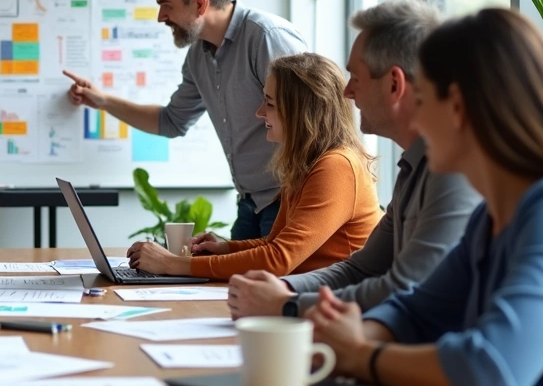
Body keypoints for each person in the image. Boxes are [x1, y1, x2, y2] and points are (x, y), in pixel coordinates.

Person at [308, 8, 543, 386]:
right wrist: (357, 331)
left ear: (458, 109)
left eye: (424, 99)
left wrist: (359, 353)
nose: (415, 116)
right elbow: (415, 310)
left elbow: (488, 370)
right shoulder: (492, 218)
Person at [227, 0, 479, 318]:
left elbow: (405, 287)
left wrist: (287, 304)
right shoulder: (414, 167)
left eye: (356, 78)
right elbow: (359, 270)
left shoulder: (452, 172)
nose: (346, 93)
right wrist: (284, 290)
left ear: (393, 84)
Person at [64, 0, 306, 239]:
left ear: (200, 2)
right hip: (252, 202)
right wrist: (103, 101)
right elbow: (171, 122)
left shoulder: (266, 37)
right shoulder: (198, 57)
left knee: (269, 284)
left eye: (166, 5)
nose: (160, 17)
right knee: (229, 282)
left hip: (290, 199)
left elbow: (311, 120)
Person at [127, 53, 381, 280]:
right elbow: (274, 243)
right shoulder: (309, 164)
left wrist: (174, 264)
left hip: (341, 302)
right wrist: (226, 247)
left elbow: (278, 259)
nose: (260, 113)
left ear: (301, 112)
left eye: (269, 104)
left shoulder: (337, 166)